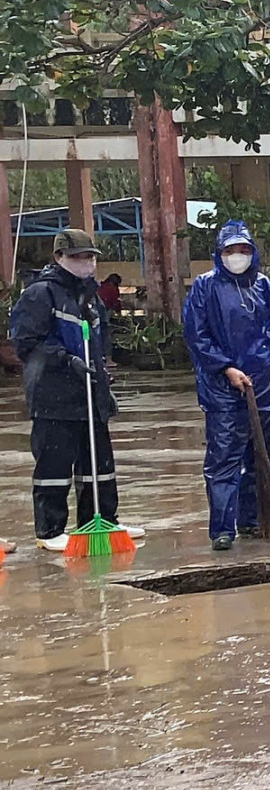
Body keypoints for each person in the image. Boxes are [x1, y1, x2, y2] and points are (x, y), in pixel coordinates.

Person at [8, 230, 141, 550]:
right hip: (54, 394)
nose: (86, 263)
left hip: (90, 393)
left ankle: (102, 520)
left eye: (90, 257)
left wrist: (102, 380)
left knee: (98, 464)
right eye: (79, 257)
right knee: (54, 464)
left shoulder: (91, 296)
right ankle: (50, 529)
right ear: (59, 258)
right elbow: (26, 342)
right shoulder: (41, 294)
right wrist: (66, 360)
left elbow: (100, 340)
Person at [182, 222, 270, 551]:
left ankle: (252, 519)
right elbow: (196, 335)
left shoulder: (262, 285)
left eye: (243, 250)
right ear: (219, 254)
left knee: (261, 456)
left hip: (261, 383)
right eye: (230, 250)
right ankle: (222, 527)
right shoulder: (205, 287)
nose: (237, 256)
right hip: (222, 387)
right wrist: (225, 367)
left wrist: (266, 342)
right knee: (223, 459)